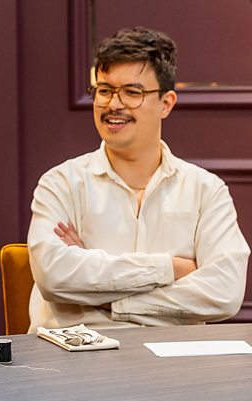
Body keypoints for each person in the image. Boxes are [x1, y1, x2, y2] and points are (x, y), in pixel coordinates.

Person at [27, 27, 250, 332]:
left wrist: (109, 300)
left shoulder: (206, 190)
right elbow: (55, 277)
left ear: (166, 103)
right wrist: (171, 268)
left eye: (132, 93)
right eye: (105, 90)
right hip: (75, 353)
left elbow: (224, 292)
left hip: (174, 355)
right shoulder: (60, 184)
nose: (113, 104)